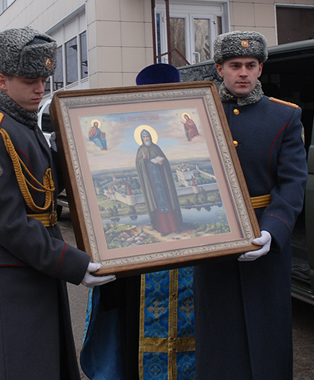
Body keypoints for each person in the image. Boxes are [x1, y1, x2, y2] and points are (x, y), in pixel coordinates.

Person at [0, 26, 115, 380]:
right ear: (1, 80)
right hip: (9, 280)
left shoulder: (21, 124)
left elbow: (48, 187)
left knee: (45, 365)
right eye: (29, 80)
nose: (40, 88)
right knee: (18, 368)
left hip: (33, 268)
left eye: (44, 78)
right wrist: (74, 263)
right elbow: (9, 224)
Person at [193, 31, 307, 379]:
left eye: (251, 65)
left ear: (260, 69)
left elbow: (292, 182)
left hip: (264, 242)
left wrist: (273, 231)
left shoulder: (284, 117)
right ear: (219, 69)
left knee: (266, 335)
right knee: (218, 338)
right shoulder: (199, 115)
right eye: (234, 65)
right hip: (214, 238)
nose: (243, 72)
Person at [80, 63, 196, 380]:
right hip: (137, 268)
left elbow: (169, 165)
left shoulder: (165, 141)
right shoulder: (142, 149)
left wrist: (161, 161)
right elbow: (138, 168)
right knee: (131, 324)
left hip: (190, 254)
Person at [136, 128, 183, 235]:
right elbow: (139, 165)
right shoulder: (141, 150)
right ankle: (163, 229)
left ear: (150, 137)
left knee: (168, 202)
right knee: (158, 206)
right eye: (144, 137)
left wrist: (162, 163)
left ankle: (175, 227)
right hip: (152, 184)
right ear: (141, 139)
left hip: (163, 182)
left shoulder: (156, 148)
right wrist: (143, 160)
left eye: (147, 136)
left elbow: (165, 162)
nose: (146, 138)